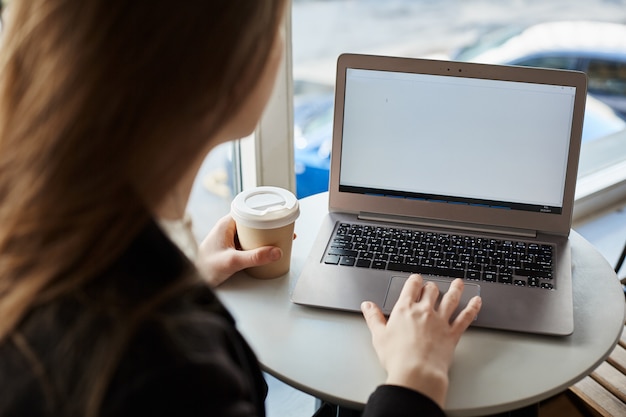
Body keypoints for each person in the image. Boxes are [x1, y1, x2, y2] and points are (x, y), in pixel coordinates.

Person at [0, 1, 482, 416]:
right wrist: (414, 383)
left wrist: (186, 278)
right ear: (225, 73)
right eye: (273, 25)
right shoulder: (175, 376)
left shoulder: (37, 242)